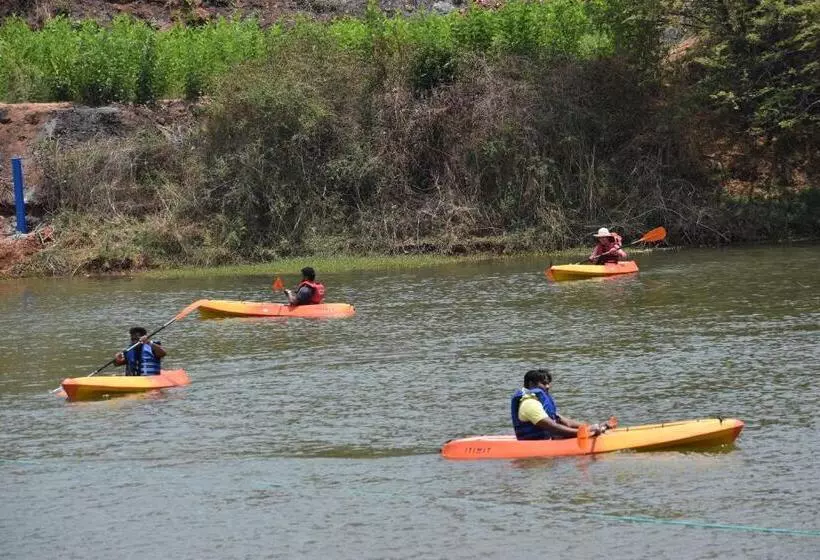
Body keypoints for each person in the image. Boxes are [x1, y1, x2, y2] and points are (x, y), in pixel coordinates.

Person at [511, 368, 614, 440]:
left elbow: (566, 422)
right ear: (531, 384)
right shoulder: (530, 403)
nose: (548, 386)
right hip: (535, 445)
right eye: (543, 383)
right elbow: (553, 427)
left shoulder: (538, 400)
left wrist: (593, 427)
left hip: (548, 439)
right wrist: (586, 433)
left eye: (548, 383)